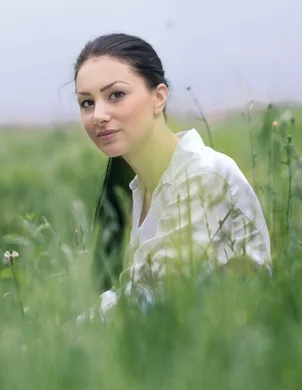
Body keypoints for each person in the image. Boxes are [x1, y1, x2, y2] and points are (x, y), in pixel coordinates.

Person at [73, 33, 272, 322]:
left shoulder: (203, 177)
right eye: (87, 103)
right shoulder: (140, 190)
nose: (98, 115)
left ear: (158, 97)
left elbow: (153, 296)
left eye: (116, 95)